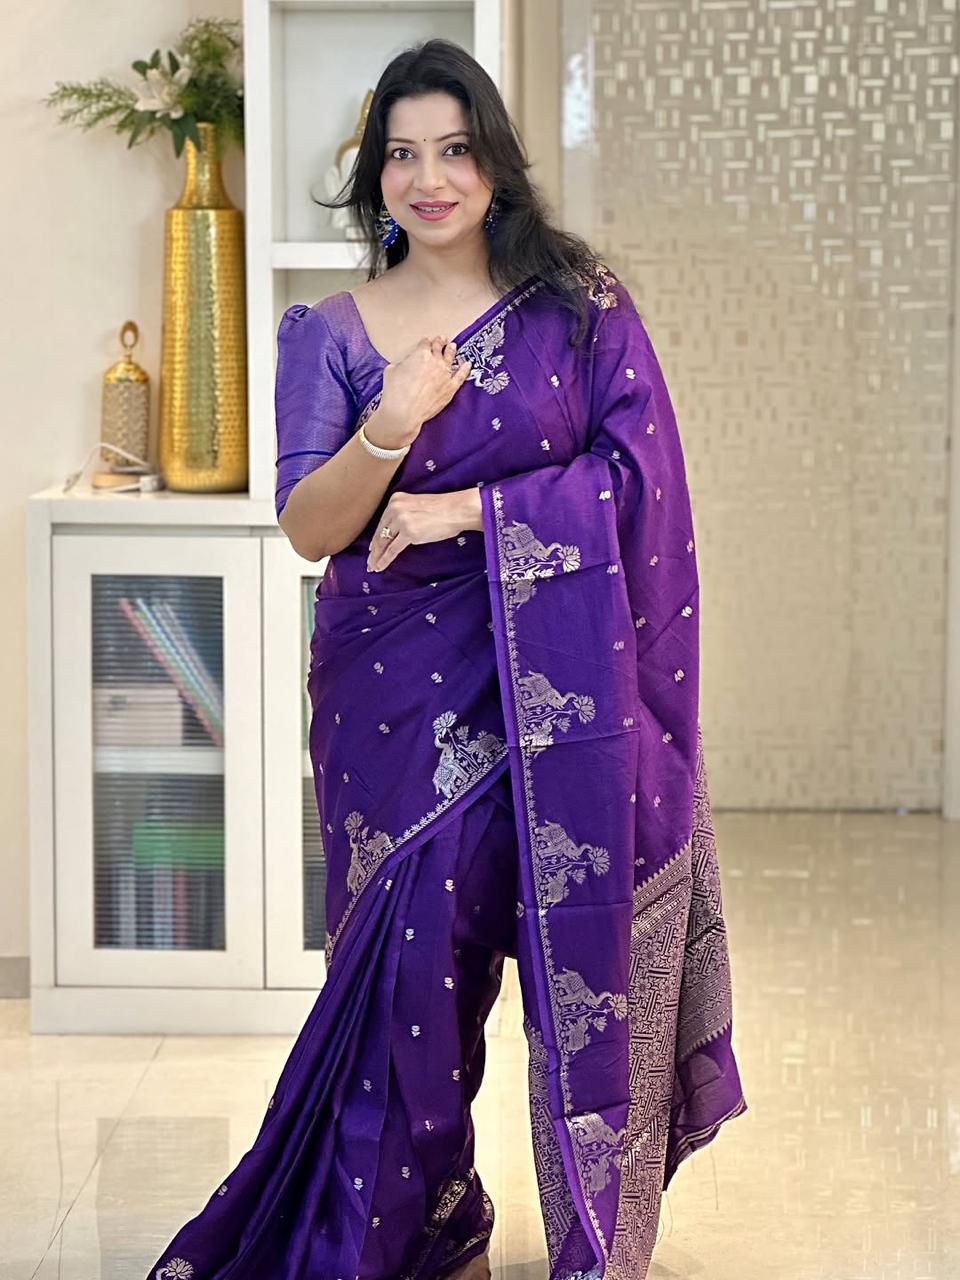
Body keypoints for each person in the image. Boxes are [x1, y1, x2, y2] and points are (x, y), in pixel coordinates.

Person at [145, 36, 747, 1280]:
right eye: (403, 155)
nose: (430, 179)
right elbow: (310, 527)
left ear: (495, 164)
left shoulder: (581, 310)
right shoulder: (330, 331)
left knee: (576, 953)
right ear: (374, 175)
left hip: (564, 690)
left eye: (455, 149)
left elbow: (641, 485)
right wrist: (391, 422)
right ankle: (419, 1225)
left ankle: (591, 1237)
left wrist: (470, 511)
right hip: (394, 695)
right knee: (414, 969)